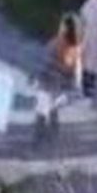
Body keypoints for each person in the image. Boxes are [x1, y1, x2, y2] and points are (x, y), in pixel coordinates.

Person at [34, 13, 84, 142]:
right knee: (49, 108)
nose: (60, 27)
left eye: (63, 25)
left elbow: (48, 61)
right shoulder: (70, 45)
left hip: (53, 81)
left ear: (67, 28)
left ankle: (42, 136)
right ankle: (48, 135)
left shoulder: (63, 45)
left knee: (45, 108)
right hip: (55, 82)